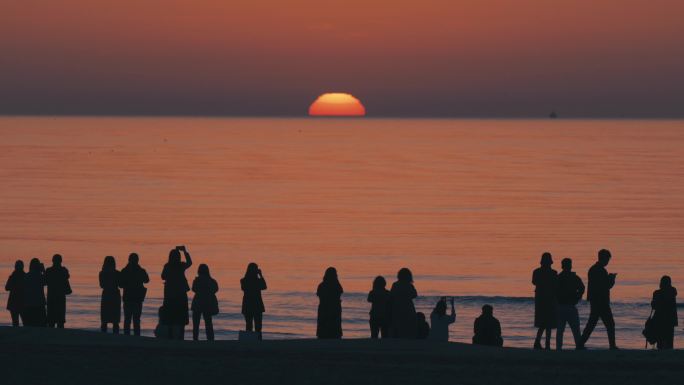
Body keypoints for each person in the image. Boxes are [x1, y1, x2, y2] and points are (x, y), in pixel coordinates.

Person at [581, 249, 618, 349]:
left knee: (591, 324)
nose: (607, 262)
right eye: (607, 259)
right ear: (604, 258)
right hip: (601, 301)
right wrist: (612, 279)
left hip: (595, 300)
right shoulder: (601, 270)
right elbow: (606, 285)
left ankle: (580, 343)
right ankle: (612, 346)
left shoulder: (592, 269)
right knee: (610, 324)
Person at [161, 245, 192, 340]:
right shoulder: (181, 266)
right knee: (181, 319)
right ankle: (180, 338)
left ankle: (170, 337)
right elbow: (190, 263)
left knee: (170, 319)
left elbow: (163, 276)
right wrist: (185, 251)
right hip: (180, 296)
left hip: (170, 296)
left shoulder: (167, 266)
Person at [556, 258, 585, 350]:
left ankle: (559, 348)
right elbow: (582, 288)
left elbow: (554, 291)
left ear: (562, 266)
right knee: (575, 328)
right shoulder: (574, 277)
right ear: (570, 266)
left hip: (561, 306)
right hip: (570, 306)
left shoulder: (559, 277)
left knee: (560, 329)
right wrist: (577, 297)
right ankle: (578, 346)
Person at [119, 253, 150, 336]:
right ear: (137, 260)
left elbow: (120, 285)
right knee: (136, 320)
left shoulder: (125, 270)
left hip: (128, 298)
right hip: (137, 298)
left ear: (129, 260)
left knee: (127, 320)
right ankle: (137, 336)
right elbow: (147, 280)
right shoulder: (141, 270)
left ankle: (126, 337)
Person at [532, 252, 557, 349]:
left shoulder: (537, 271)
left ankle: (538, 342)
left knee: (543, 323)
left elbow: (534, 282)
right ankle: (546, 344)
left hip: (541, 300)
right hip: (550, 300)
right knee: (548, 324)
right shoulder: (553, 273)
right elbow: (556, 286)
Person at [191, 264, 219, 341]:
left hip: (197, 303)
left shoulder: (197, 280)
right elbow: (216, 289)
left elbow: (194, 289)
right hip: (208, 304)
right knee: (208, 323)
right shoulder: (212, 281)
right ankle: (210, 340)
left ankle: (195, 339)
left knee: (196, 325)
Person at [650, 276, 678, 350]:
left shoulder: (657, 293)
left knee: (660, 340)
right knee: (669, 340)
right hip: (670, 319)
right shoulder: (672, 291)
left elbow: (654, 306)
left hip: (660, 319)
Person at [390, 267, 418, 338]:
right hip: (408, 308)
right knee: (408, 327)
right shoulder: (409, 285)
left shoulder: (395, 285)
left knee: (398, 327)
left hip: (397, 308)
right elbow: (414, 294)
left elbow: (391, 296)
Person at [45, 254, 71, 328]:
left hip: (51, 296)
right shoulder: (63, 270)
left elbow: (45, 281)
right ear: (61, 261)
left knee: (51, 320)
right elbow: (67, 276)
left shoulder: (49, 270)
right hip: (60, 297)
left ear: (53, 261)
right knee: (60, 319)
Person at [316, 267, 343, 339]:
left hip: (324, 307)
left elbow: (319, 294)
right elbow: (340, 292)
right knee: (335, 324)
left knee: (323, 324)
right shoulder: (336, 285)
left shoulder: (322, 285)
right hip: (334, 308)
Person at [240, 262, 267, 335]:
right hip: (256, 305)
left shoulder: (243, 280)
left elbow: (264, 287)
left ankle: (250, 342)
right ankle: (258, 342)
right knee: (257, 327)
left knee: (249, 326)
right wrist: (260, 275)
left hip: (248, 305)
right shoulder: (256, 281)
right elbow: (264, 286)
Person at [99, 256, 121, 333]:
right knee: (115, 320)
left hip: (106, 295)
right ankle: (116, 336)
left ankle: (103, 336)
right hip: (115, 295)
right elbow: (121, 285)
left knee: (104, 319)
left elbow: (102, 285)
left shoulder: (102, 273)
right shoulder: (117, 273)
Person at [22, 258, 47, 327]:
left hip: (29, 303)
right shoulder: (40, 276)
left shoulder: (26, 276)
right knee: (42, 325)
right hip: (39, 303)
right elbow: (46, 281)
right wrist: (43, 270)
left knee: (30, 325)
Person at [5, 260, 26, 326]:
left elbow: (7, 287)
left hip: (13, 302)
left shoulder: (12, 276)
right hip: (22, 302)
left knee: (15, 322)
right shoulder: (25, 276)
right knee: (25, 321)